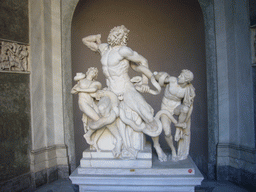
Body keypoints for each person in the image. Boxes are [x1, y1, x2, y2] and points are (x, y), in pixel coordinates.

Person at [82, 25, 160, 157]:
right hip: (111, 90)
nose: (115, 35)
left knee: (147, 114)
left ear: (123, 38)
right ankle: (118, 140)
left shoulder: (124, 51)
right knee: (101, 109)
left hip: (125, 88)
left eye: (119, 34)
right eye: (114, 32)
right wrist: (96, 38)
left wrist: (145, 82)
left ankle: (158, 147)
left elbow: (143, 61)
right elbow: (85, 40)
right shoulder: (103, 48)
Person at [154, 69, 195, 161]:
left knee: (185, 108)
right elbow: (158, 79)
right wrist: (158, 75)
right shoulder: (172, 80)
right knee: (167, 132)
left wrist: (185, 121)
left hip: (176, 108)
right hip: (165, 108)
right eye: (180, 75)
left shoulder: (188, 89)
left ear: (186, 81)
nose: (179, 77)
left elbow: (189, 107)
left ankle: (178, 128)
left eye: (181, 76)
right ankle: (173, 149)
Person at [71, 68, 102, 148]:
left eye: (95, 72)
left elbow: (93, 89)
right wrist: (77, 88)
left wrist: (80, 89)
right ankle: (88, 135)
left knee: (100, 119)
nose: (93, 73)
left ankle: (94, 138)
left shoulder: (95, 83)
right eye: (92, 71)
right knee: (97, 119)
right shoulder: (81, 81)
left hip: (91, 103)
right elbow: (73, 91)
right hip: (83, 102)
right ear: (88, 72)